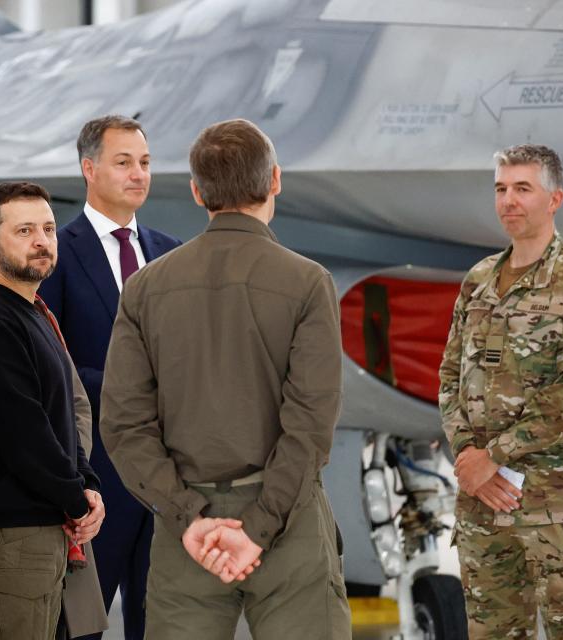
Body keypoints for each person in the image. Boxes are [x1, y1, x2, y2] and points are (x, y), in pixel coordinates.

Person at [99, 118, 351, 638]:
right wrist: (258, 528)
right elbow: (310, 424)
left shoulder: (145, 289)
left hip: (186, 534)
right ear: (275, 180)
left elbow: (124, 426)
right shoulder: (307, 283)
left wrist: (189, 518)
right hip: (288, 525)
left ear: (197, 192)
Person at [439, 144, 563, 639]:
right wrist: (468, 457)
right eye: (500, 189)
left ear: (555, 198)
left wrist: (493, 455)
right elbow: (450, 375)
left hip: (552, 508)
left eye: (522, 189)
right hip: (481, 504)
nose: (508, 201)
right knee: (492, 633)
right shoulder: (478, 282)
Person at [0, 189, 107, 640]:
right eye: (24, 231)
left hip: (40, 530)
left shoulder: (30, 313)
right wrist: (76, 498)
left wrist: (86, 483)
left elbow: (67, 412)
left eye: (48, 229)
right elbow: (22, 432)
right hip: (11, 537)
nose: (42, 241)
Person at [37, 115, 180, 640]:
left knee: (163, 625)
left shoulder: (171, 253)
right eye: (123, 163)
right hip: (93, 477)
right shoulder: (56, 254)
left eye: (144, 163)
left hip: (166, 481)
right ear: (89, 169)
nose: (138, 174)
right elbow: (51, 363)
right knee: (80, 628)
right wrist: (133, 388)